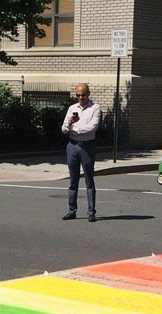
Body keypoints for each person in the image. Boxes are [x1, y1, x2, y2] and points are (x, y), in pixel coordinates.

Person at [61, 82, 101, 222]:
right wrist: (70, 123)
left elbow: (92, 127)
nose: (80, 98)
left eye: (83, 95)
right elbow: (64, 129)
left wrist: (76, 130)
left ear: (88, 94)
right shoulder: (72, 108)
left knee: (89, 180)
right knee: (73, 180)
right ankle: (72, 210)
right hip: (72, 146)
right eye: (78, 95)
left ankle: (91, 212)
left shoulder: (95, 108)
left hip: (87, 147)